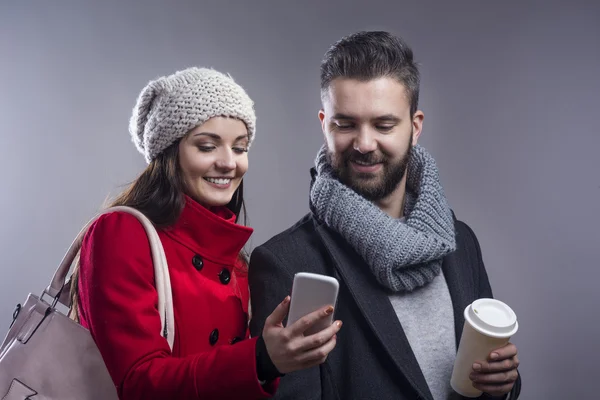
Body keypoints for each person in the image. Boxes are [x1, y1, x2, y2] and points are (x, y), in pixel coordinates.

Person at [248, 31, 522, 400]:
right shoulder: (285, 262)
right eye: (345, 123)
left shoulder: (461, 242)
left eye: (384, 125)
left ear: (416, 126)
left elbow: (489, 381)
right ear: (323, 124)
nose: (363, 144)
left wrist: (501, 383)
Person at [69, 67, 342, 400]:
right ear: (169, 153)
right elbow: (138, 383)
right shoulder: (121, 233)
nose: (229, 163)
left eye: (240, 148)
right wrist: (260, 359)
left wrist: (279, 357)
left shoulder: (237, 262)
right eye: (207, 146)